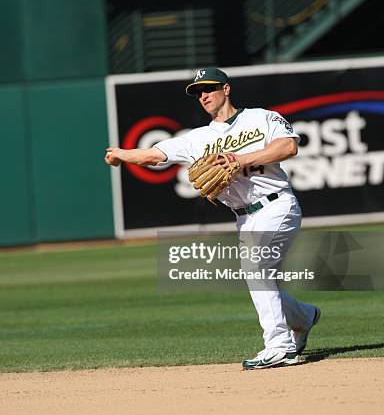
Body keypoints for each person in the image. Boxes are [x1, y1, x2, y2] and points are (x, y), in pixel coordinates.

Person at [105, 67, 320, 369]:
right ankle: (304, 317)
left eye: (208, 88)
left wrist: (240, 159)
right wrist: (121, 154)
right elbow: (153, 155)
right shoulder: (197, 139)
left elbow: (288, 146)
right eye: (197, 92)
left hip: (277, 206)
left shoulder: (261, 118)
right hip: (244, 218)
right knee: (258, 277)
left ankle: (280, 346)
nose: (203, 95)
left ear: (226, 89)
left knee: (257, 268)